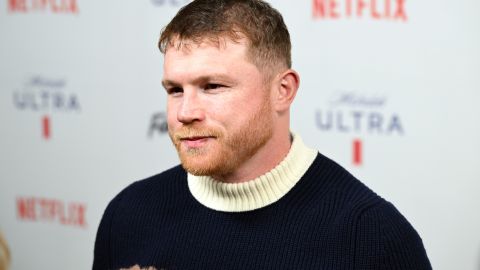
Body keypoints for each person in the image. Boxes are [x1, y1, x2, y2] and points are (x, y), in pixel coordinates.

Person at [93, 0, 432, 269]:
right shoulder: (128, 213)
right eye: (175, 89)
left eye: (212, 86)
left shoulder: (370, 236)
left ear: (283, 90)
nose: (185, 112)